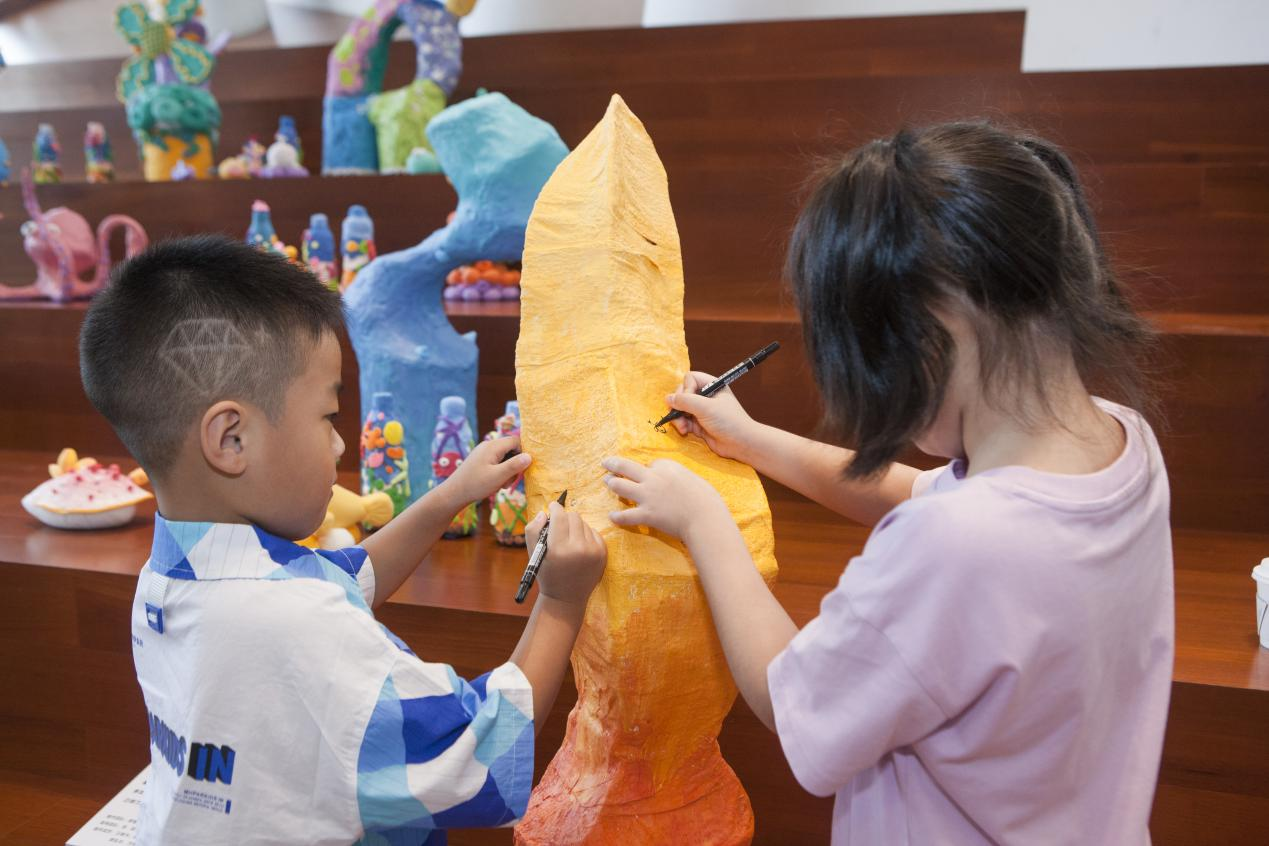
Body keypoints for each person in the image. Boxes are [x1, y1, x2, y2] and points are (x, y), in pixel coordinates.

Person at [602, 122, 1172, 844]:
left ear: (934, 330)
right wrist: (751, 440)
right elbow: (921, 493)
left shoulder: (955, 545)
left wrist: (703, 521)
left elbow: (793, 700)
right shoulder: (1119, 442)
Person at [79, 235, 607, 846]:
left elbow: (343, 578)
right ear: (231, 440)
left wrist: (449, 495)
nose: (337, 444)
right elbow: (480, 751)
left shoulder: (175, 575)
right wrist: (560, 601)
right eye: (327, 417)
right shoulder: (300, 623)